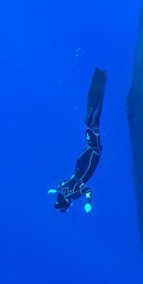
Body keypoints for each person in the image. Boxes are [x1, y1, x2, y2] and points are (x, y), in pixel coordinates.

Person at [49, 67, 107, 213]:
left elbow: (88, 190)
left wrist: (88, 203)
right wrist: (55, 189)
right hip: (82, 161)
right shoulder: (64, 189)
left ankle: (101, 80)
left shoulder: (73, 195)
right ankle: (99, 77)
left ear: (67, 203)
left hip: (91, 157)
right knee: (91, 128)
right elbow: (63, 183)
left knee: (95, 125)